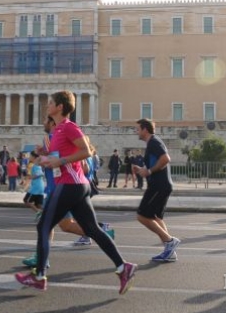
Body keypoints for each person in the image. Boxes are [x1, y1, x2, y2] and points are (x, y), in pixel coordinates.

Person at [15, 90, 137, 294]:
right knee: (92, 230)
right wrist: (45, 155)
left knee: (44, 226)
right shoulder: (57, 132)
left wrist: (60, 160)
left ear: (60, 106)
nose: (47, 106)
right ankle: (124, 267)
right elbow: (60, 156)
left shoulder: (69, 127)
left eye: (51, 102)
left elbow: (86, 151)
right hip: (77, 185)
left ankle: (39, 276)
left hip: (70, 184)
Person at [133, 118, 181, 262]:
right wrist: (143, 170)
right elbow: (156, 164)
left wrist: (149, 172)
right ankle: (170, 251)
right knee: (156, 218)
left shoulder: (154, 142)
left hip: (158, 186)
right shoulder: (152, 143)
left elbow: (166, 159)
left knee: (142, 216)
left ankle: (169, 241)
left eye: (137, 129)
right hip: (161, 185)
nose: (136, 131)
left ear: (145, 129)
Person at [23, 151, 45, 222]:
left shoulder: (35, 165)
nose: (29, 157)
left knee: (26, 200)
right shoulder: (38, 165)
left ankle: (38, 212)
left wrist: (30, 177)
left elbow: (39, 174)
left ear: (34, 157)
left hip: (36, 187)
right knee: (39, 204)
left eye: (30, 156)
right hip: (40, 186)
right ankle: (48, 214)